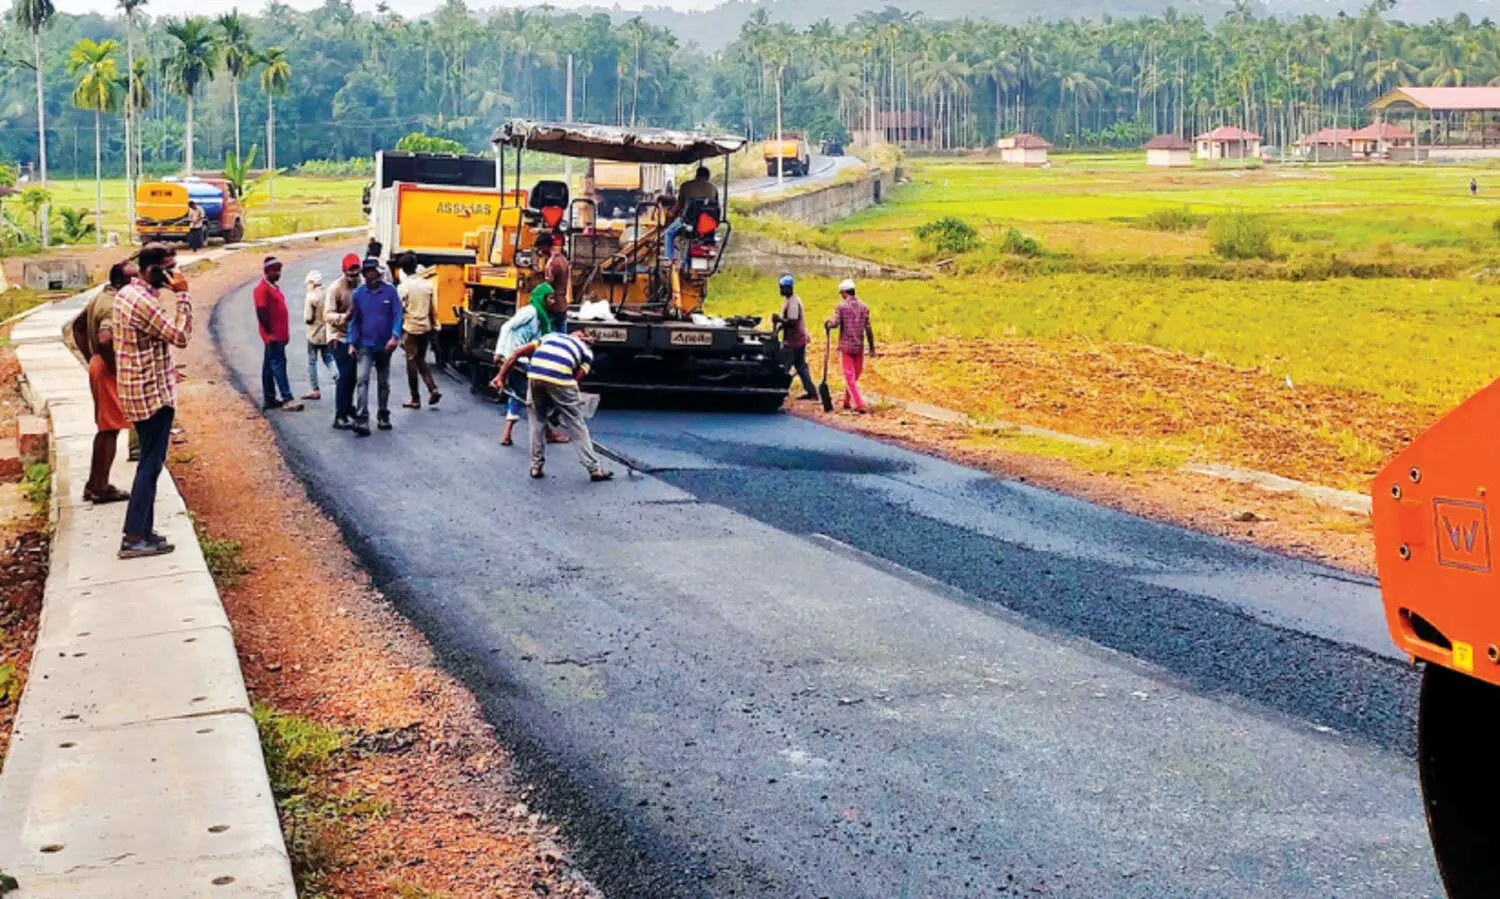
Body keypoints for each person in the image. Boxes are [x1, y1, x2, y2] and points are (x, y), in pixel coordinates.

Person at [114, 243, 193, 559]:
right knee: (150, 463)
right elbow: (181, 336)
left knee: (150, 460)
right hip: (151, 394)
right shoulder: (144, 304)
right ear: (150, 270)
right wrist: (183, 296)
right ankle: (134, 536)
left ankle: (144, 531)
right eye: (168, 268)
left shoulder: (128, 295)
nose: (173, 274)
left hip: (137, 390)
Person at [496, 329, 611, 482]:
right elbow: (575, 380)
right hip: (561, 379)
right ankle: (594, 469)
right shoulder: (587, 353)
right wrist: (562, 408)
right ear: (583, 338)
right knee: (576, 425)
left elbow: (516, 353)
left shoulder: (550, 336)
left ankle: (536, 467)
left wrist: (500, 377)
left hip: (535, 375)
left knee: (537, 421)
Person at [71, 262, 133, 505]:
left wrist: (90, 358)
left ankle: (95, 483)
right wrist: (114, 368)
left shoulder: (101, 296)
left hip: (100, 364)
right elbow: (105, 339)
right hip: (108, 368)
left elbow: (78, 326)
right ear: (120, 283)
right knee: (109, 429)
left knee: (108, 427)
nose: (137, 283)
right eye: (132, 279)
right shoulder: (114, 304)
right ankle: (100, 487)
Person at [492, 283, 568, 447]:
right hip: (515, 358)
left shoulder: (542, 317)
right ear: (542, 298)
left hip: (524, 358)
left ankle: (508, 434)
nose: (552, 301)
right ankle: (547, 431)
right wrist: (499, 352)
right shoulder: (530, 311)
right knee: (538, 394)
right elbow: (506, 327)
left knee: (520, 394)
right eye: (550, 298)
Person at [346, 256, 403, 436]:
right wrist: (351, 342)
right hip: (365, 344)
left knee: (383, 381)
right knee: (362, 379)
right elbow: (354, 321)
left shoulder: (390, 292)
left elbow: (397, 316)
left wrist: (395, 336)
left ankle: (383, 414)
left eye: (373, 272)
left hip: (385, 345)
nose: (370, 275)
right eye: (367, 272)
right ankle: (362, 417)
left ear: (378, 273)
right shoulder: (359, 295)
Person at [254, 256, 304, 412]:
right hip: (273, 336)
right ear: (268, 271)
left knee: (269, 367)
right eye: (276, 270)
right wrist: (270, 333)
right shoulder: (261, 289)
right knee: (279, 365)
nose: (278, 273)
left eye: (279, 270)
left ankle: (269, 398)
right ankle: (287, 398)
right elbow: (261, 313)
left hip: (279, 335)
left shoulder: (273, 287)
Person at [396, 253, 442, 409]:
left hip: (410, 328)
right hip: (426, 327)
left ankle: (415, 398)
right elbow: (432, 309)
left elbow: (398, 309)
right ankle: (432, 388)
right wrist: (435, 326)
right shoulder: (427, 285)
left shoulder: (403, 288)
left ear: (403, 269)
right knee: (420, 359)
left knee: (411, 364)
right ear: (416, 267)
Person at [825, 278, 875, 414]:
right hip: (859, 346)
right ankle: (847, 401)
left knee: (850, 377)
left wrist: (828, 324)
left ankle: (858, 403)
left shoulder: (841, 306)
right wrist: (872, 347)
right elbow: (868, 328)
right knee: (854, 376)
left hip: (846, 347)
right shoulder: (864, 307)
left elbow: (835, 323)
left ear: (844, 292)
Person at [324, 253, 361, 429]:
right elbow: (327, 315)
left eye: (356, 271)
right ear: (344, 270)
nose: (354, 275)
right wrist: (343, 318)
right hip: (338, 336)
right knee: (345, 375)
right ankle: (339, 415)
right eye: (351, 272)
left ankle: (347, 407)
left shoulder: (361, 285)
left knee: (353, 376)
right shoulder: (335, 289)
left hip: (355, 337)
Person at [771, 273, 817, 400]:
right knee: (801, 366)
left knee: (783, 365)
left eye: (782, 288)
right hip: (797, 339)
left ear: (789, 288)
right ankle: (812, 392)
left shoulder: (793, 302)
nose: (780, 290)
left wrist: (779, 320)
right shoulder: (789, 300)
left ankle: (778, 390)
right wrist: (779, 327)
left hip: (794, 340)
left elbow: (792, 321)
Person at [664, 166, 718, 268]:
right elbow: (716, 207)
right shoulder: (713, 188)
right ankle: (689, 264)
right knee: (695, 239)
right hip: (707, 226)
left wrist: (671, 213)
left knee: (669, 233)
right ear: (708, 177)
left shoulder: (686, 186)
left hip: (688, 223)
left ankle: (669, 259)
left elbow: (679, 205)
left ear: (696, 175)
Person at [302, 269, 335, 401]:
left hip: (314, 333)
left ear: (312, 282)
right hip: (326, 332)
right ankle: (338, 378)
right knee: (328, 358)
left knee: (312, 361)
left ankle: (314, 389)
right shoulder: (328, 293)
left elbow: (308, 318)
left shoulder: (311, 297)